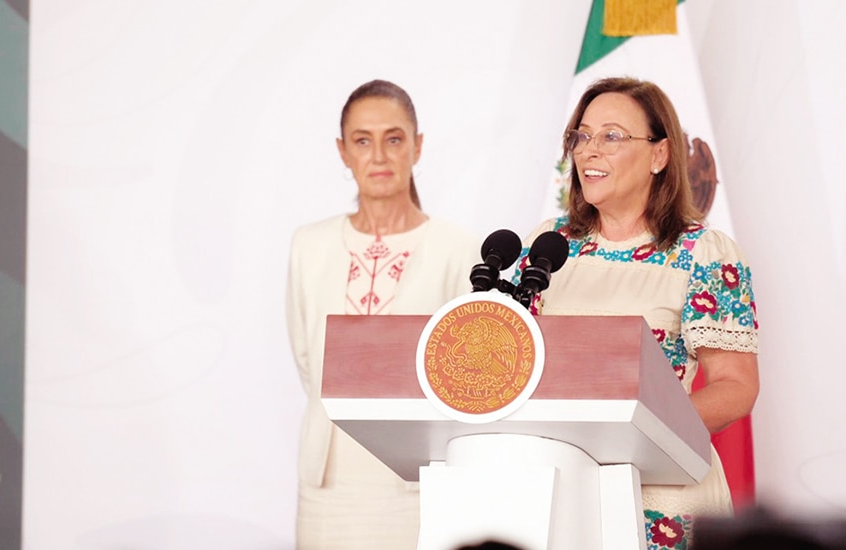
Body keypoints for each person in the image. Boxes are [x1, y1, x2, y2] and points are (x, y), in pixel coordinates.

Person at [514, 76, 760, 549]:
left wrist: (639, 431)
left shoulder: (703, 253)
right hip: (562, 492)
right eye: (582, 136)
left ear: (659, 155)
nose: (589, 151)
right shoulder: (547, 246)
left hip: (662, 498)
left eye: (611, 136)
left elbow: (736, 386)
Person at [285, 79, 480, 549]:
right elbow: (309, 360)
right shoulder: (308, 246)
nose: (378, 156)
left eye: (393, 139)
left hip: (416, 481)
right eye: (362, 141)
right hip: (327, 482)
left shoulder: (459, 249)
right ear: (342, 151)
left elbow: (464, 375)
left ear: (417, 146)